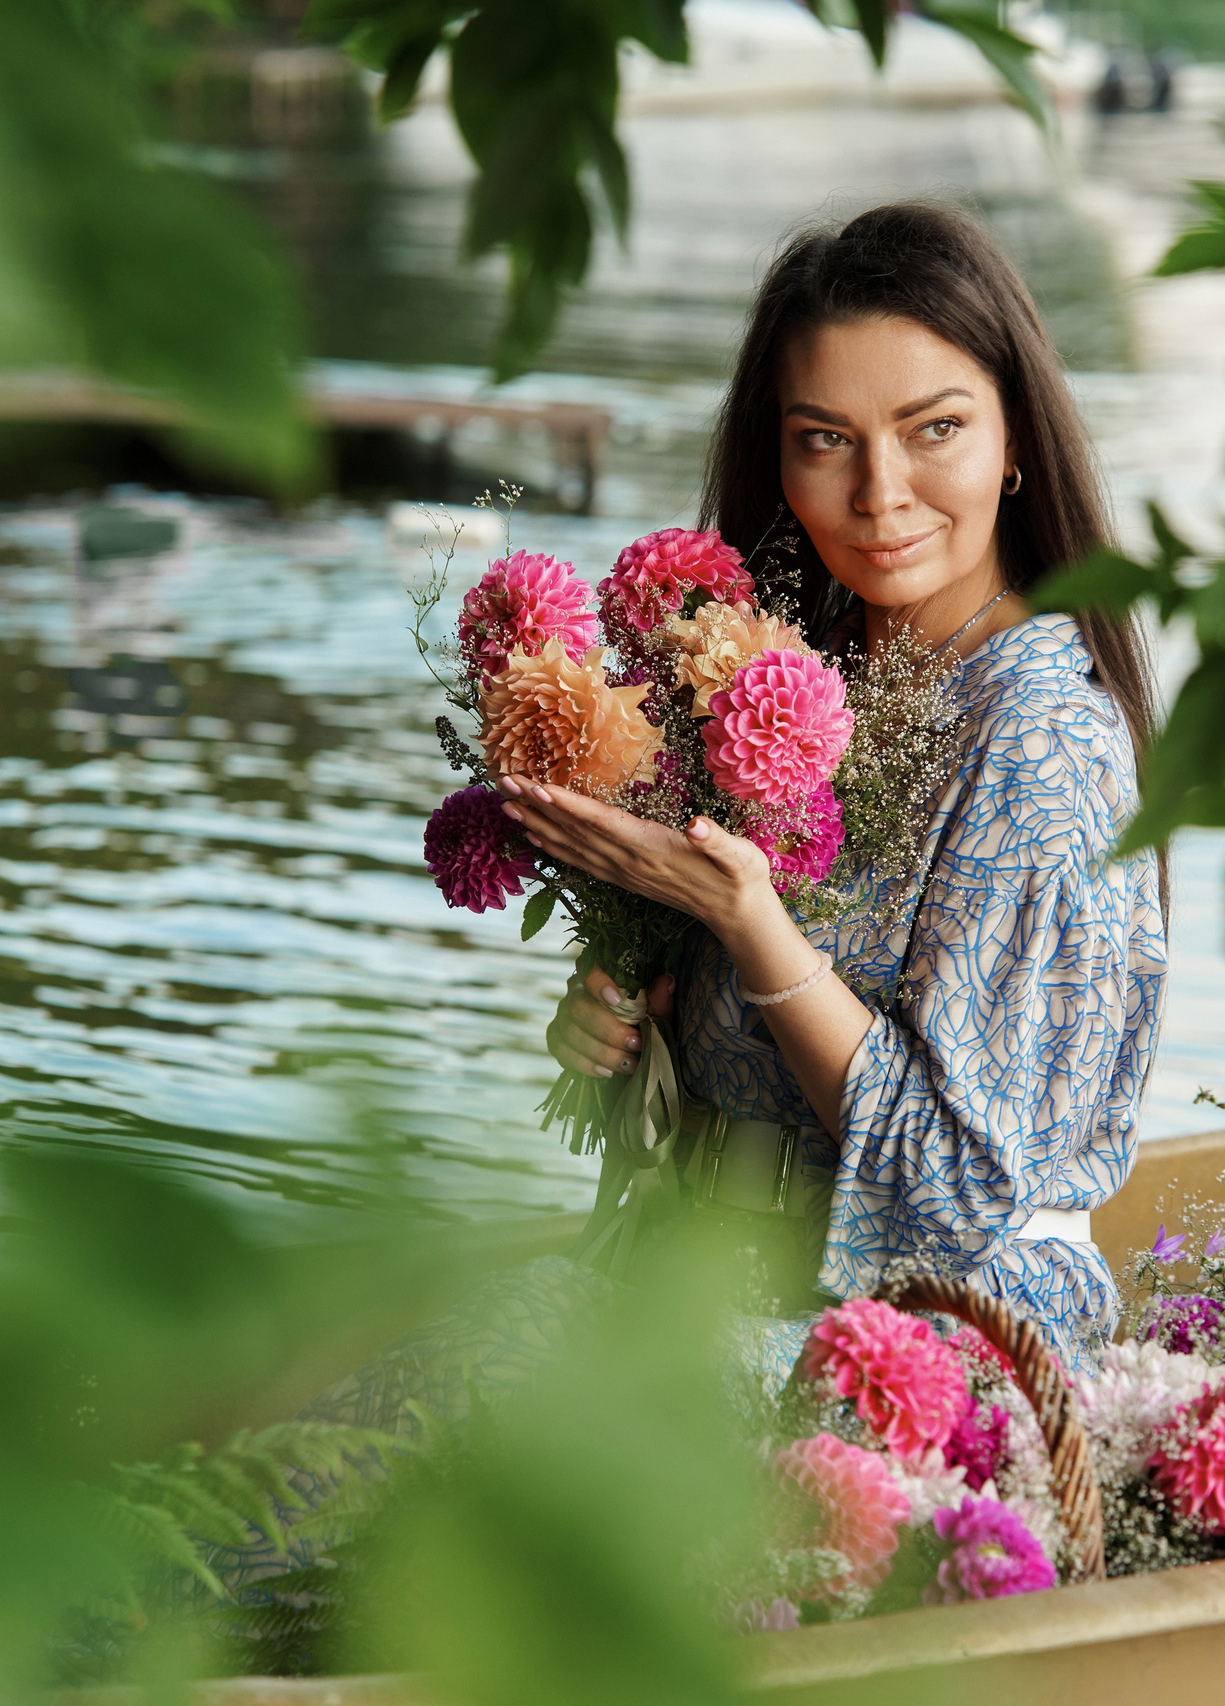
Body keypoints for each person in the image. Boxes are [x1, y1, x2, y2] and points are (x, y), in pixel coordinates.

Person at [506, 201, 1167, 1376]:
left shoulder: (1037, 740)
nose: (879, 491)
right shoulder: (777, 676)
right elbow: (728, 1072)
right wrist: (624, 1037)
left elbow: (951, 1196)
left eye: (934, 428)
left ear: (1014, 439)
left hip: (915, 1344)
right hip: (693, 1272)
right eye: (826, 438)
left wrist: (749, 923)